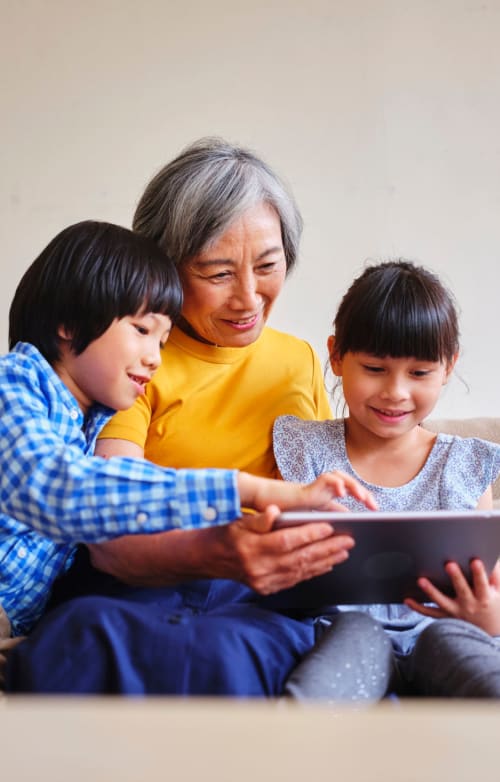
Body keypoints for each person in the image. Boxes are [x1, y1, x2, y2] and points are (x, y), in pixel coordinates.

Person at [6, 139, 376, 696]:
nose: (249, 297)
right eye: (217, 272)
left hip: (263, 600)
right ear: (167, 267)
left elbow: (337, 492)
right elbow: (105, 522)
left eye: (268, 265)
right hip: (143, 588)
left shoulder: (298, 360)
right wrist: (223, 543)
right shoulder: (128, 368)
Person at [273, 260, 500, 701]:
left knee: (459, 651)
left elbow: (490, 582)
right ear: (336, 357)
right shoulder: (304, 449)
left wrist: (489, 617)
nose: (396, 391)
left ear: (448, 367)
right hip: (341, 628)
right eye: (375, 368)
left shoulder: (466, 464)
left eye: (419, 374)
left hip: (446, 629)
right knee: (350, 643)